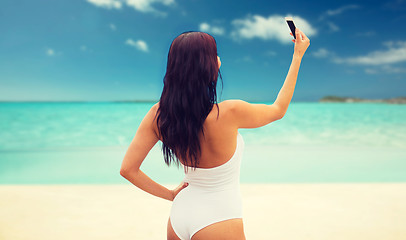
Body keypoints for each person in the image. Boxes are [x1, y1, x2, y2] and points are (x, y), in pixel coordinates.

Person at [120, 27, 310, 240]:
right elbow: (278, 109)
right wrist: (297, 56)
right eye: (214, 55)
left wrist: (171, 195)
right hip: (218, 218)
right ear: (207, 66)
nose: (218, 58)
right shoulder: (230, 112)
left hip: (179, 215)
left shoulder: (158, 114)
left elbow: (128, 169)